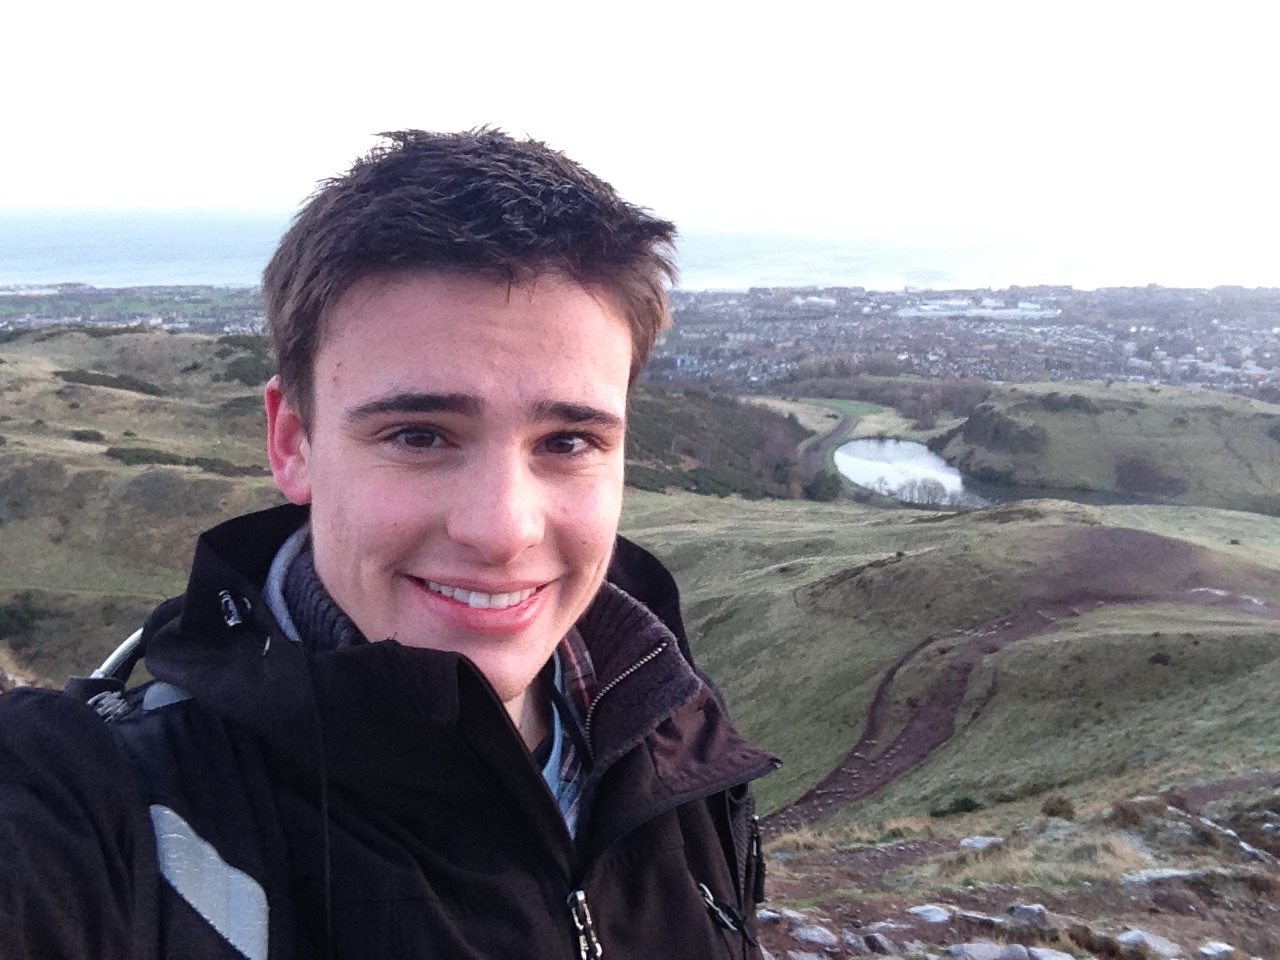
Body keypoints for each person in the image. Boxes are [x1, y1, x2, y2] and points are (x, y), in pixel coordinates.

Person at [0, 129, 777, 959]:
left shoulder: (665, 726)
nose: (501, 529)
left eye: (567, 442)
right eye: (419, 435)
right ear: (293, 442)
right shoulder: (89, 808)